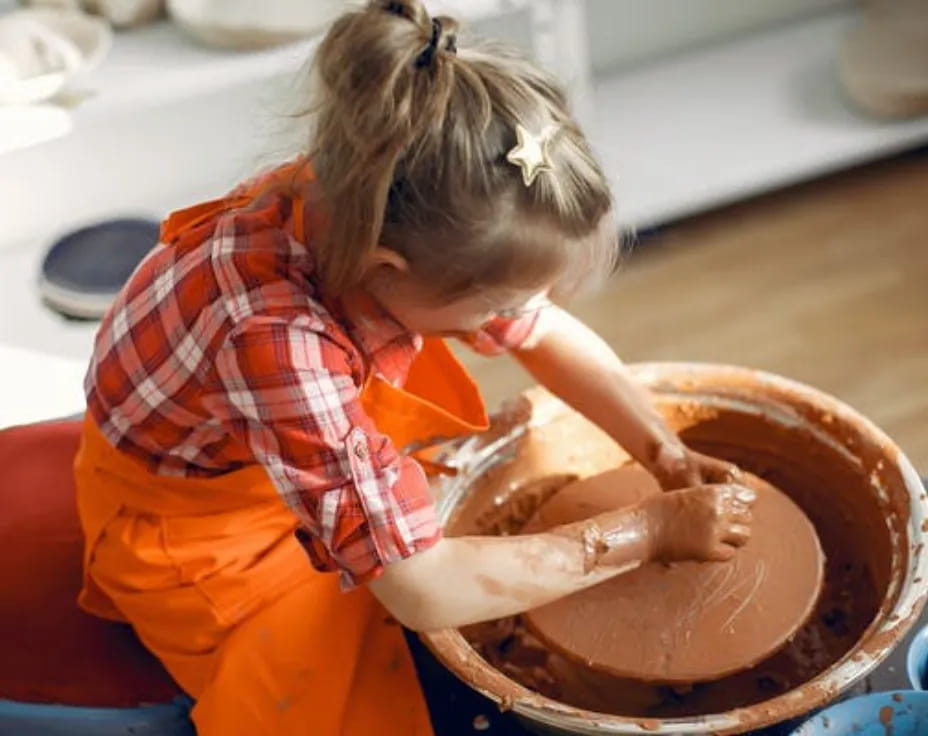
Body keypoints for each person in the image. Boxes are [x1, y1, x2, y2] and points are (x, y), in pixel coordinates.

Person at [74, 1, 756, 734]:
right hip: (192, 532)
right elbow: (420, 588)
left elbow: (541, 330)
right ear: (389, 272)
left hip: (265, 441)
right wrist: (643, 535)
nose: (516, 317)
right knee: (334, 704)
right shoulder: (278, 337)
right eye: (495, 305)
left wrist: (661, 449)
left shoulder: (380, 188)